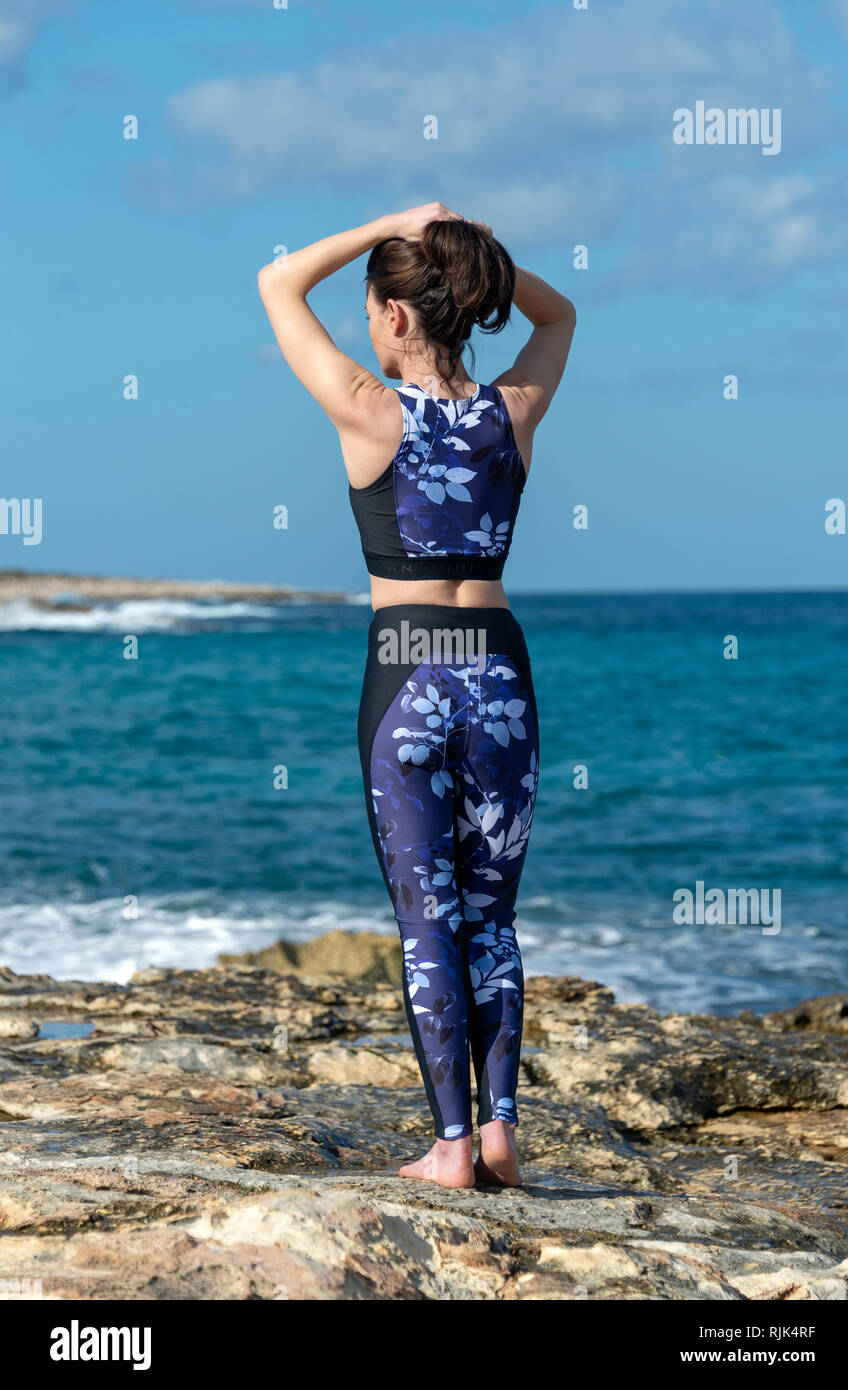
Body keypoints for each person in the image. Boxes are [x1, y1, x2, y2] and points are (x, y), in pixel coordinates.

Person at [259, 202, 575, 1188]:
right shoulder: (509, 411)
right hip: (495, 665)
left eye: (370, 308)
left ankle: (447, 1146)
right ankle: (500, 1134)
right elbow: (559, 316)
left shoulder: (367, 408)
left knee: (426, 914)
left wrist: (387, 224)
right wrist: (475, 258)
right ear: (464, 303)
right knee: (491, 913)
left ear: (396, 317)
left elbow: (275, 283)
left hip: (407, 666)